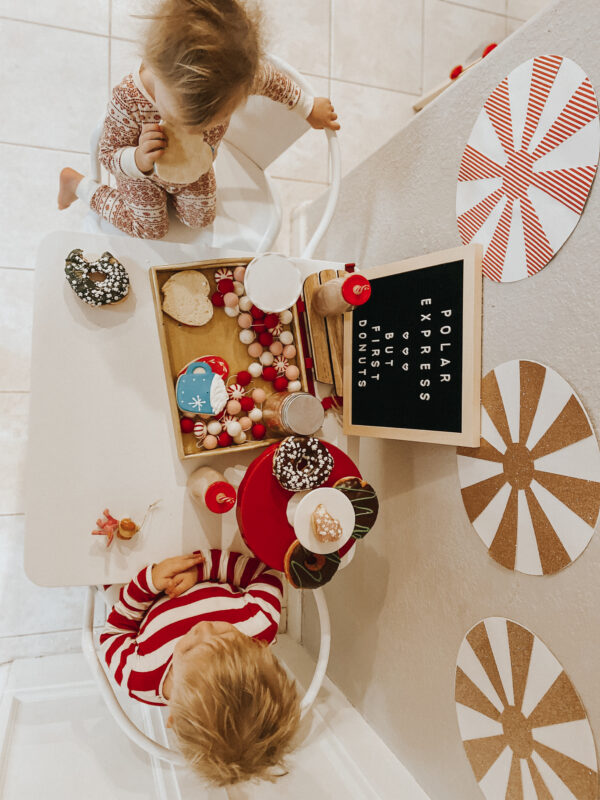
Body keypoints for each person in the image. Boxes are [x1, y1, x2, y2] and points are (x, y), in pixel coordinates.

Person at [57, 0, 340, 238]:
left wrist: (306, 106)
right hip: (141, 176)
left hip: (197, 169)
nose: (197, 130)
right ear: (157, 68)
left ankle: (166, 196)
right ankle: (76, 184)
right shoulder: (129, 97)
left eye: (211, 122)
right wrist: (139, 160)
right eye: (183, 119)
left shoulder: (237, 78)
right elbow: (108, 153)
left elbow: (272, 81)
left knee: (201, 220)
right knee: (151, 229)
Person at [100, 549, 301, 785]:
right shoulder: (259, 624)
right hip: (201, 551)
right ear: (259, 649)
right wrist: (202, 568)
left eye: (189, 650)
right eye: (226, 633)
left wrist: (147, 584)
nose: (203, 627)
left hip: (136, 578)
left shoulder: (139, 676)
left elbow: (114, 631)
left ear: (173, 713)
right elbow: (264, 573)